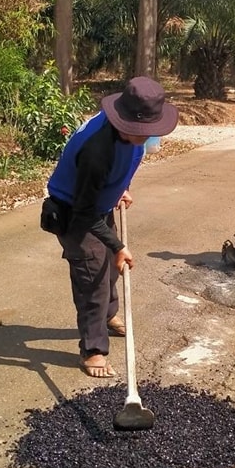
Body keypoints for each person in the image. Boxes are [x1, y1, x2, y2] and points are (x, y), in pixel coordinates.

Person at [45, 76, 179, 378]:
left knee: (109, 267)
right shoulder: (97, 151)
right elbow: (84, 211)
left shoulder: (129, 130)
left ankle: (107, 315)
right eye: (141, 132)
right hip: (75, 214)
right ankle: (92, 349)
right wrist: (118, 246)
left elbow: (126, 161)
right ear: (124, 121)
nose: (146, 136)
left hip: (98, 204)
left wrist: (120, 187)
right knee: (92, 278)